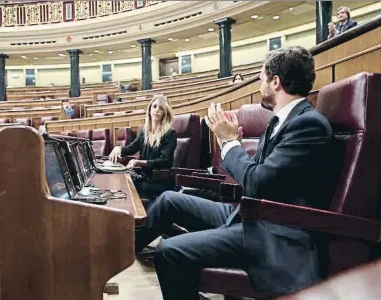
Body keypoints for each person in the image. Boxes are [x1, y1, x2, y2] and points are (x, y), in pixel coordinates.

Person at [134, 46, 340, 300]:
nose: (259, 85)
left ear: (276, 82)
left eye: (261, 78)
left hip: (274, 233)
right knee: (168, 201)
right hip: (249, 215)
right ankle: (118, 253)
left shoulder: (307, 125)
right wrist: (232, 146)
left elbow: (256, 182)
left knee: (168, 252)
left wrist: (230, 144)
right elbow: (262, 174)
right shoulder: (281, 120)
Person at [108, 95, 177, 201]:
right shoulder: (145, 132)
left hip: (159, 181)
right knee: (121, 179)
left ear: (165, 112)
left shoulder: (170, 134)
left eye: (161, 108)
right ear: (149, 110)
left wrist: (138, 162)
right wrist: (118, 149)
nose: (157, 110)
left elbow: (164, 161)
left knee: (129, 187)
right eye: (154, 107)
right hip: (144, 178)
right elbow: (131, 148)